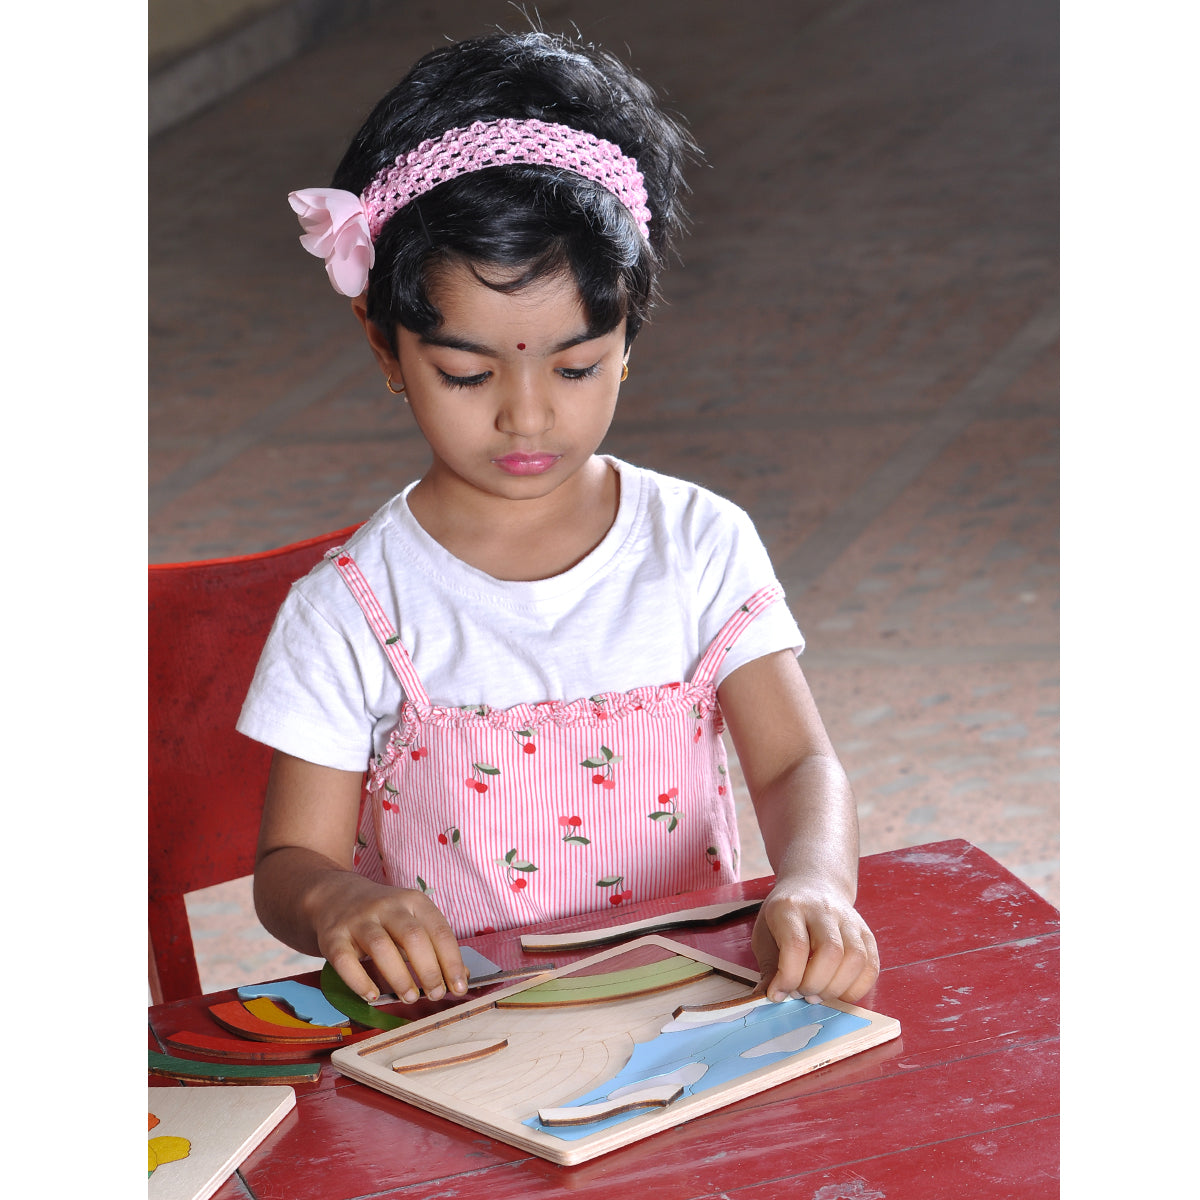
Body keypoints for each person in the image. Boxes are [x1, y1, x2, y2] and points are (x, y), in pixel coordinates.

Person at [239, 29, 879, 1014]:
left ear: (628, 333)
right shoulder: (353, 608)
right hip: (457, 1037)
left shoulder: (697, 545)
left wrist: (815, 882)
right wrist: (337, 901)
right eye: (466, 373)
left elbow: (798, 764)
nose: (526, 416)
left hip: (691, 1015)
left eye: (575, 367)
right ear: (384, 345)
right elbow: (290, 861)